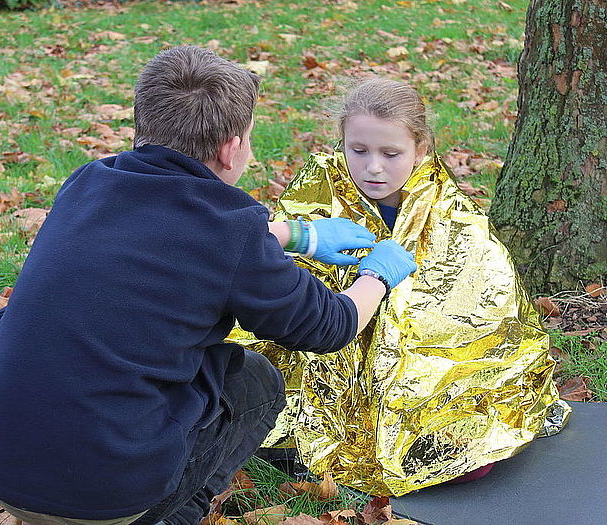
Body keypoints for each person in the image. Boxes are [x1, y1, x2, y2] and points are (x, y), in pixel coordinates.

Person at [0, 48, 418, 525]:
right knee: (253, 380)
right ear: (231, 149)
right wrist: (376, 275)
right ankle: (169, 516)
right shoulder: (231, 231)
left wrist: (298, 235)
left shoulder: (91, 180)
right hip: (100, 496)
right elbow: (329, 325)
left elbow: (173, 235)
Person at [232, 76, 570, 496]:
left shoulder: (452, 218)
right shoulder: (317, 194)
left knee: (468, 462)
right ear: (342, 143)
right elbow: (273, 286)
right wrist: (308, 245)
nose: (373, 167)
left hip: (419, 375)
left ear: (421, 151)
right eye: (359, 151)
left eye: (391, 154)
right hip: (328, 354)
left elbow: (482, 312)